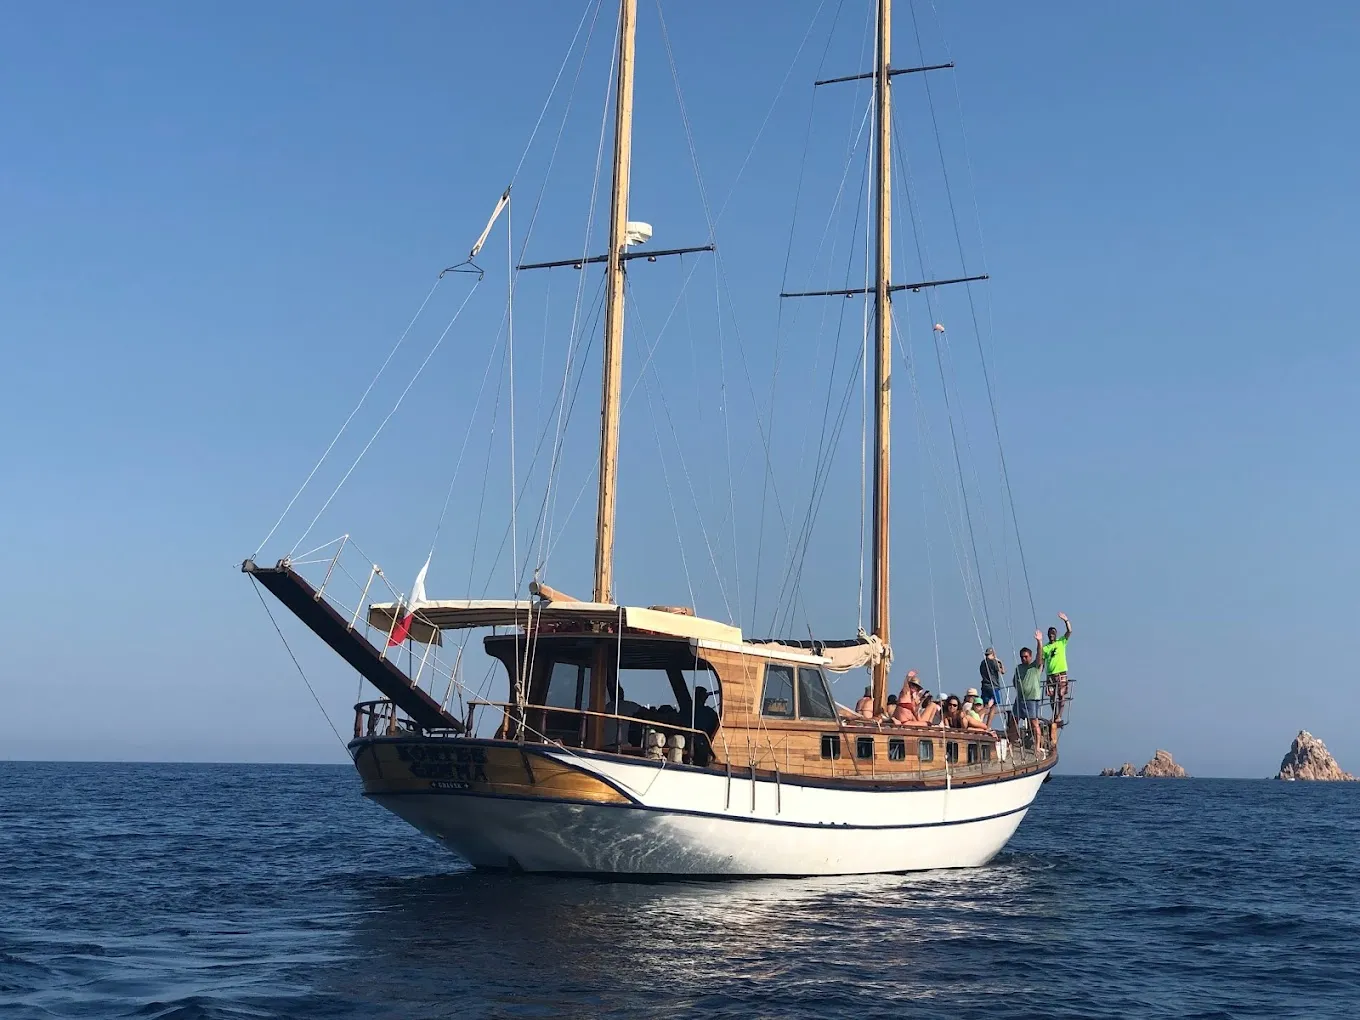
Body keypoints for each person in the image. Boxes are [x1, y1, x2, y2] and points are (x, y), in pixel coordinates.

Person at [1012, 631, 1047, 755]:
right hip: (1020, 698)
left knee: (1034, 723)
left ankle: (1037, 747)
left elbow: (1039, 654)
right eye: (1022, 657)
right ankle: (1013, 742)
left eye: (1026, 656)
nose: (1024, 659)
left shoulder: (1035, 666)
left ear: (1030, 657)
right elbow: (1015, 681)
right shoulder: (1018, 668)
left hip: (1032, 699)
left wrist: (1039, 641)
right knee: (1013, 720)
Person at [1042, 613, 1073, 725]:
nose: (1051, 635)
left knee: (1061, 695)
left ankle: (1059, 716)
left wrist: (1066, 620)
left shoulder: (1061, 642)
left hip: (1061, 673)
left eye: (1053, 633)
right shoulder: (1045, 648)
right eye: (1050, 634)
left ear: (1056, 634)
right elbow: (1042, 661)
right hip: (1050, 675)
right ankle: (1054, 715)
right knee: (1051, 697)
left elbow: (1069, 631)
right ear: (1048, 635)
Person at [978, 648, 1005, 716]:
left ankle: (980, 719)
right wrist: (1000, 662)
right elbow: (1002, 671)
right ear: (993, 654)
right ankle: (988, 722)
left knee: (985, 705)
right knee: (993, 706)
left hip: (985, 686)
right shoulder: (993, 662)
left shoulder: (982, 663)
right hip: (993, 687)